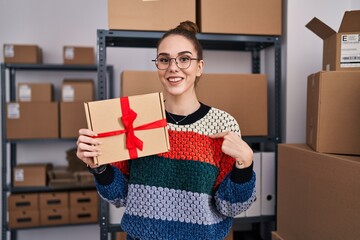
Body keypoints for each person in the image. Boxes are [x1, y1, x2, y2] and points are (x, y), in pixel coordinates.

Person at [76, 21, 255, 240]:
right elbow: (120, 196)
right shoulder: (135, 117)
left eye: (184, 59)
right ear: (158, 66)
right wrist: (100, 167)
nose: (173, 67)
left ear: (199, 67)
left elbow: (230, 207)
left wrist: (245, 164)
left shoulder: (222, 124)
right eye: (164, 59)